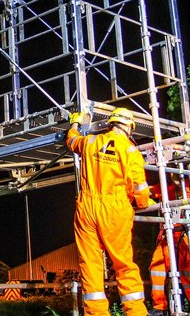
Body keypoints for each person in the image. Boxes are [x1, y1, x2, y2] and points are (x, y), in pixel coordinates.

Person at [66, 107, 152, 316]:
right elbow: (138, 185)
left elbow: (71, 141)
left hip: (86, 206)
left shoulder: (91, 142)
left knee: (90, 264)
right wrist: (143, 202)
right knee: (123, 264)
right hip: (114, 208)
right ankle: (135, 312)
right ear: (129, 127)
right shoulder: (129, 150)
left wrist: (75, 124)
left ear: (111, 124)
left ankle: (96, 313)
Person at [147, 174, 190, 315]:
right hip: (167, 234)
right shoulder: (165, 187)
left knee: (189, 271)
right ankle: (159, 306)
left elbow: (183, 193)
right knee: (157, 267)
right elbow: (148, 192)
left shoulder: (186, 186)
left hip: (184, 234)